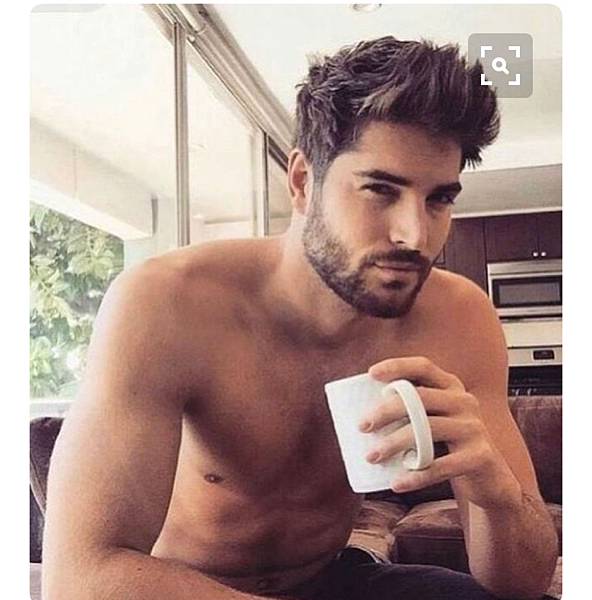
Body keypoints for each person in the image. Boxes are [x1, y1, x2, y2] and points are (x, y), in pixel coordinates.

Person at [42, 36, 558, 600]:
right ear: (302, 182)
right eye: (380, 190)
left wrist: (493, 490)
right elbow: (81, 578)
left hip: (333, 578)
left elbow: (522, 583)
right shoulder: (166, 303)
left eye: (439, 199)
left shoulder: (460, 319)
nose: (415, 235)